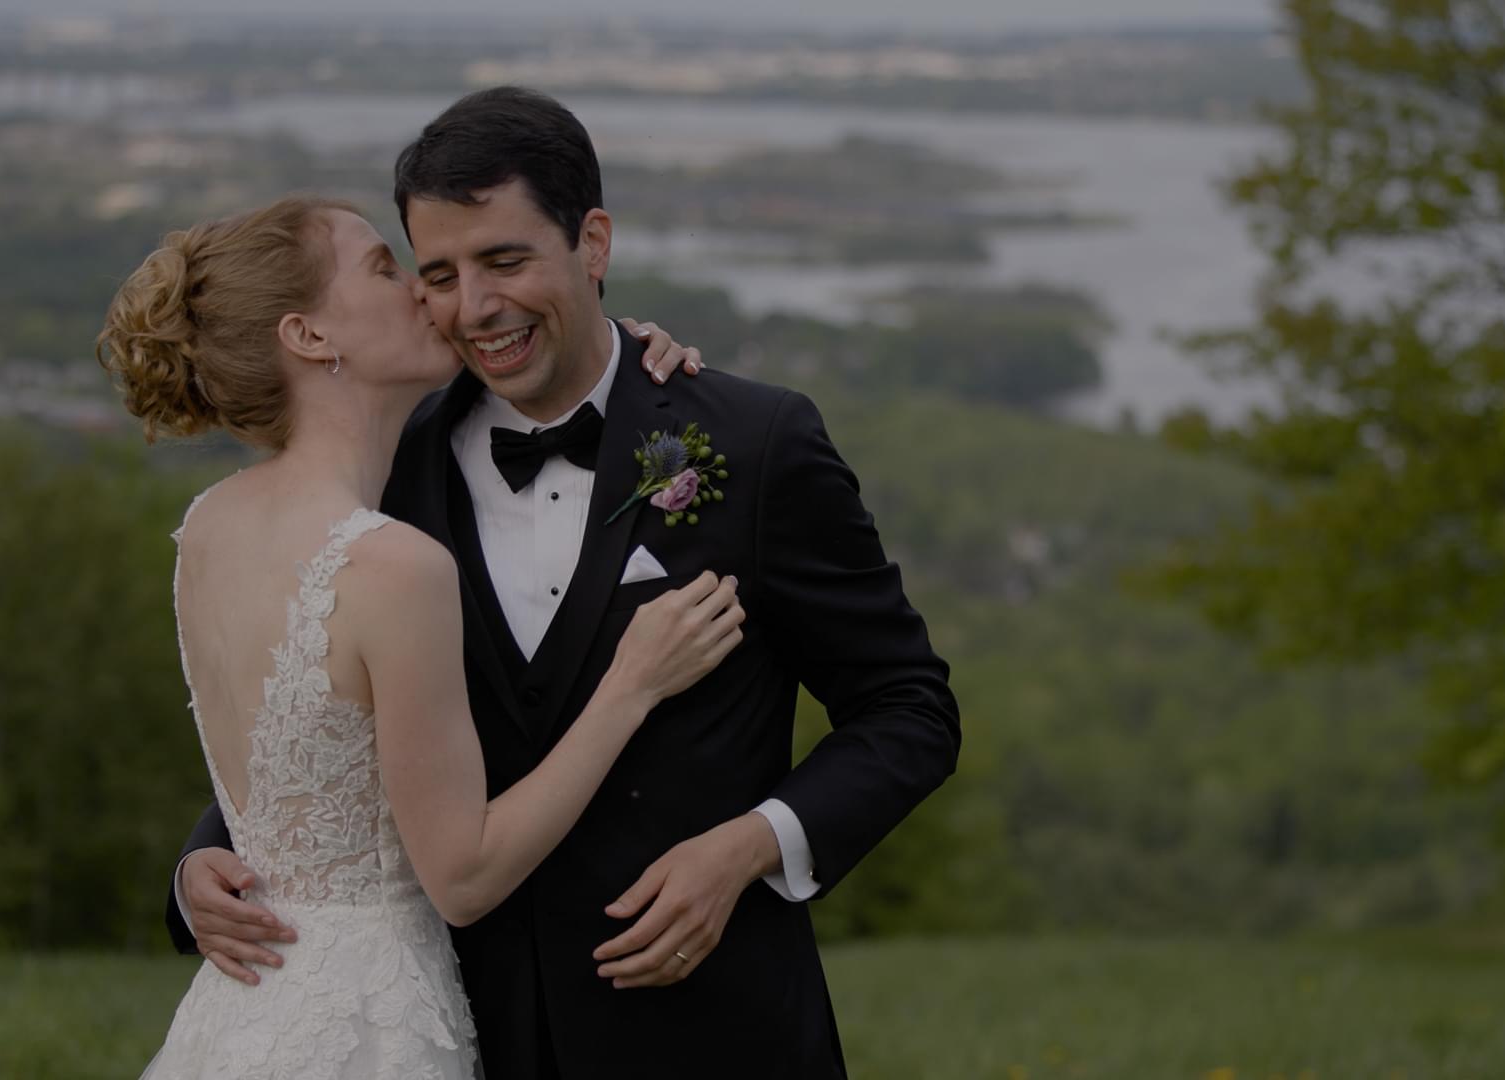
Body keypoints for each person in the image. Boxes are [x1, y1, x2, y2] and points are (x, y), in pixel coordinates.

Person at [172, 86, 962, 1080]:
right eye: (440, 274)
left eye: (507, 261)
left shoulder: (755, 445)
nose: (475, 307)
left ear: (592, 243)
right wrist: (207, 859)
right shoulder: (388, 470)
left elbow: (909, 709)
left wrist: (753, 847)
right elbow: (323, 703)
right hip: (458, 1036)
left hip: (710, 1035)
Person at [100, 194, 731, 1078]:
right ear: (311, 337)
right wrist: (632, 684)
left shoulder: (210, 524)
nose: (426, 295)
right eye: (383, 270)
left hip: (247, 1019)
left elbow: (295, 767)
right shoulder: (393, 565)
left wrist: (611, 354)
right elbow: (464, 878)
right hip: (372, 1025)